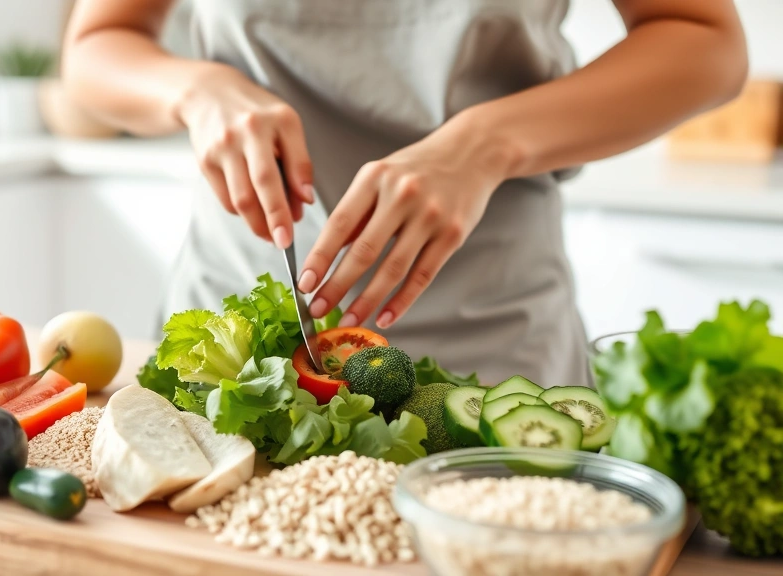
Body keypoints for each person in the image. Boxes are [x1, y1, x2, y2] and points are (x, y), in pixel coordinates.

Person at [63, 0, 747, 386]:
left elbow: (707, 42)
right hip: (236, 339)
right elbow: (97, 43)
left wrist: (486, 143)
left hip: (492, 348)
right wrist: (194, 90)